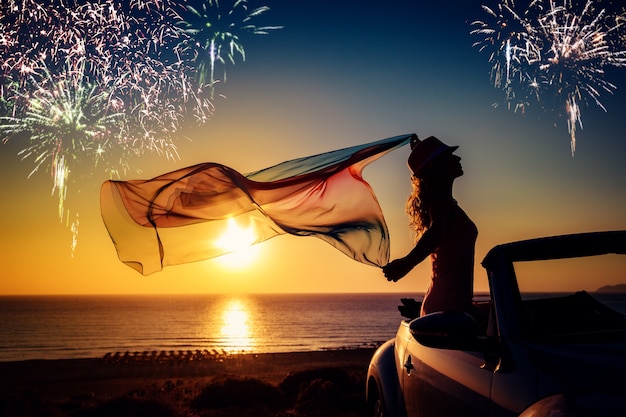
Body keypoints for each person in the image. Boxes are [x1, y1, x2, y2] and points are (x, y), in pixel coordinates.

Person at [383, 136, 477, 317]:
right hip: (448, 310)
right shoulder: (440, 202)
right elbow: (435, 235)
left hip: (451, 306)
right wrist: (406, 264)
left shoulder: (446, 203)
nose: (458, 158)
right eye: (450, 155)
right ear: (436, 165)